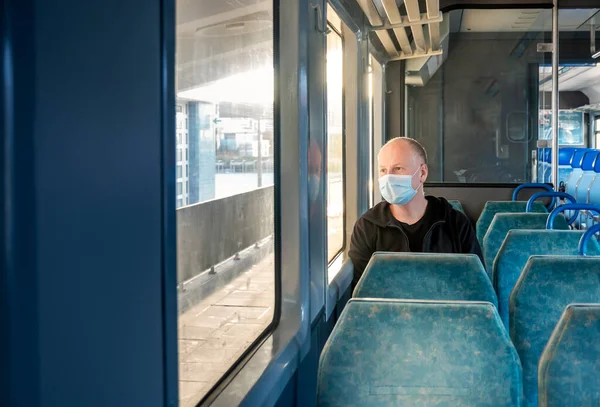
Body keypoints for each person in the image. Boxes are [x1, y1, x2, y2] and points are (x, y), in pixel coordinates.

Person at [348, 137, 483, 289]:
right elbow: (362, 292)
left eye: (398, 168)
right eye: (383, 170)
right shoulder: (367, 227)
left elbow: (476, 287)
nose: (388, 178)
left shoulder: (455, 223)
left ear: (422, 173)